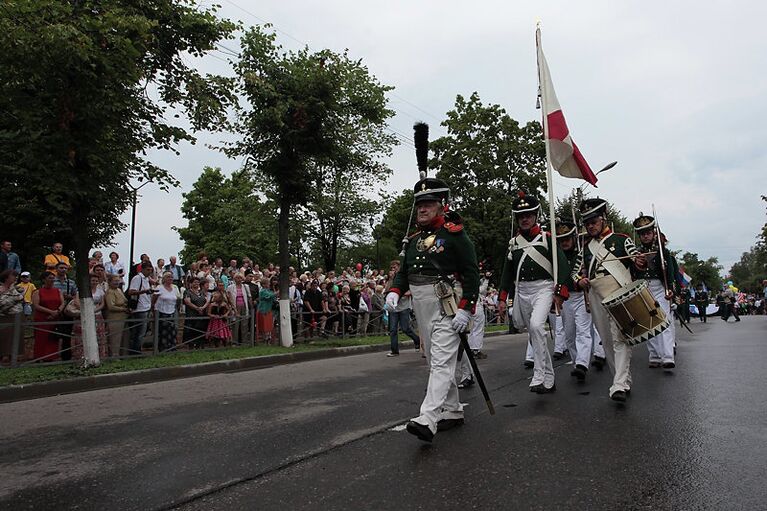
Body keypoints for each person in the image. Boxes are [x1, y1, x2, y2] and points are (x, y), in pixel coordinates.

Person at [387, 176, 479, 443]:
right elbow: (404, 272)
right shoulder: (414, 240)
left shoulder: (455, 235)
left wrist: (466, 308)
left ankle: (427, 418)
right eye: (419, 205)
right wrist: (395, 290)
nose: (422, 209)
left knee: (440, 361)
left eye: (428, 204)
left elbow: (471, 273)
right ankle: (451, 411)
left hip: (446, 303)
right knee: (434, 361)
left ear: (442, 206)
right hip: (420, 303)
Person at [497, 192, 570, 394]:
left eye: (528, 214)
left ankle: (539, 375)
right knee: (534, 333)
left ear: (535, 215)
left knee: (538, 326)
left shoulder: (547, 238)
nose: (525, 219)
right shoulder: (513, 244)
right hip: (522, 290)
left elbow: (562, 266)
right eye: (521, 216)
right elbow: (506, 273)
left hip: (543, 288)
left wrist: (559, 292)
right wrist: (503, 298)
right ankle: (548, 379)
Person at [572, 198, 643, 402]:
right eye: (587, 223)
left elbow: (636, 258)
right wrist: (580, 280)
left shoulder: (621, 240)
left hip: (619, 292)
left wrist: (638, 262)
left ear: (603, 219)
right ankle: (622, 379)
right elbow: (575, 274)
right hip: (596, 296)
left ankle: (619, 384)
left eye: (593, 221)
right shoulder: (585, 249)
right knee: (607, 340)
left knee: (620, 337)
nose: (590, 226)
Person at [632, 213, 679, 369]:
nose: (645, 236)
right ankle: (654, 355)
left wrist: (670, 288)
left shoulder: (662, 251)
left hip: (659, 287)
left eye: (648, 233)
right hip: (644, 288)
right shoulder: (636, 253)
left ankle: (667, 356)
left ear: (653, 233)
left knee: (664, 320)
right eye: (642, 234)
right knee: (649, 323)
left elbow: (670, 271)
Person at [554, 219, 594, 381]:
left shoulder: (583, 255)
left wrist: (585, 279)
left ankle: (582, 364)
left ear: (573, 238)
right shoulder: (557, 258)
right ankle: (577, 361)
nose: (564, 243)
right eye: (561, 240)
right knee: (569, 335)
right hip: (565, 299)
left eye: (567, 239)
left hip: (581, 296)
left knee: (583, 332)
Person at [67, 274, 108, 360]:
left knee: (99, 336)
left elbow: (102, 304)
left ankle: (100, 356)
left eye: (96, 280)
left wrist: (94, 311)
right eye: (93, 280)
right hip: (84, 314)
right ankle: (81, 356)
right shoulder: (81, 291)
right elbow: (77, 302)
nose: (94, 282)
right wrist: (88, 311)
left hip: (97, 314)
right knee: (82, 336)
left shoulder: (100, 291)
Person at [384, 260, 420, 357]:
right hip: (393, 307)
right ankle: (394, 350)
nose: (393, 269)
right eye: (392, 268)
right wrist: (391, 280)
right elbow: (386, 290)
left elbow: (411, 291)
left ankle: (418, 340)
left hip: (404, 306)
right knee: (393, 329)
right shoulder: (392, 279)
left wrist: (400, 293)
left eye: (395, 267)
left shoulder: (405, 278)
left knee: (405, 328)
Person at [32, 272, 64, 361]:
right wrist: (50, 312)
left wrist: (57, 312)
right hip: (43, 318)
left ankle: (52, 356)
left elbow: (62, 302)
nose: (52, 280)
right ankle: (39, 356)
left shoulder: (58, 291)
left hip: (55, 318)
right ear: (44, 279)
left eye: (53, 278)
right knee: (41, 338)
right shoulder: (37, 292)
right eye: (50, 278)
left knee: (53, 338)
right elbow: (36, 305)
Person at [52, 262, 78, 361]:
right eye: (61, 268)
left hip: (67, 310)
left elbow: (75, 296)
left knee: (67, 334)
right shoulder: (52, 281)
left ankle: (66, 356)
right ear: (56, 268)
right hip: (54, 309)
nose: (63, 270)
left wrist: (68, 296)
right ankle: (52, 355)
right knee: (53, 332)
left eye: (65, 268)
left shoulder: (70, 282)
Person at [128, 262, 154, 355]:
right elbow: (131, 292)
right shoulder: (137, 278)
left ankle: (137, 349)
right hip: (139, 308)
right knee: (139, 332)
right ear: (142, 269)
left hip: (146, 306)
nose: (149, 272)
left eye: (150, 270)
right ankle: (135, 351)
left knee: (142, 332)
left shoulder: (147, 279)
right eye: (147, 270)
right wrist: (144, 291)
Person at [152, 272, 181, 351]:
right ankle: (163, 349)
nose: (170, 278)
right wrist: (154, 311)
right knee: (163, 332)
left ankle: (172, 348)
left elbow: (177, 300)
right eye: (168, 277)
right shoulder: (159, 287)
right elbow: (153, 300)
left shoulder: (174, 288)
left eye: (171, 277)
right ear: (164, 279)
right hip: (161, 312)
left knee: (173, 330)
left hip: (172, 311)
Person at [0, 269, 24, 363]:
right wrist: (14, 299)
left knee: (17, 335)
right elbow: (2, 304)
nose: (16, 278)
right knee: (5, 336)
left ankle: (16, 355)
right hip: (4, 316)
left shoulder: (18, 288)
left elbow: (20, 298)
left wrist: (12, 296)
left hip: (17, 315)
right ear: (6, 277)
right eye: (14, 276)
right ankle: (4, 355)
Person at [104, 275, 130, 357]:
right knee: (115, 339)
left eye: (118, 281)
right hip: (114, 318)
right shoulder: (110, 292)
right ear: (109, 282)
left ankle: (123, 355)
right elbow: (111, 306)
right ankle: (114, 356)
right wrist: (123, 309)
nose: (117, 282)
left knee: (124, 338)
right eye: (114, 281)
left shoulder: (119, 290)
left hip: (123, 317)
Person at [184, 278, 210, 349]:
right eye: (195, 282)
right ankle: (191, 347)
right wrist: (197, 308)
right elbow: (187, 302)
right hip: (192, 315)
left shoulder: (201, 292)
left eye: (198, 282)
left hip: (201, 315)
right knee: (192, 332)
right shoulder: (187, 292)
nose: (196, 284)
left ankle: (199, 347)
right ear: (191, 283)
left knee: (200, 332)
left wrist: (203, 308)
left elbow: (207, 301)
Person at [226, 273, 252, 345]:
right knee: (235, 324)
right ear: (234, 279)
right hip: (235, 306)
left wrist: (251, 306)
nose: (239, 279)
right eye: (237, 278)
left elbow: (249, 297)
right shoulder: (230, 287)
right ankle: (234, 342)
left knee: (244, 324)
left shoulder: (246, 286)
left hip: (244, 306)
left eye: (240, 278)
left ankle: (244, 341)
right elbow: (228, 297)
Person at [256, 277, 276, 344]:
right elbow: (269, 296)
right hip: (263, 310)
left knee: (268, 325)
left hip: (268, 310)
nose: (269, 284)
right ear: (264, 284)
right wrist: (277, 293)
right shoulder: (262, 291)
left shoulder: (269, 290)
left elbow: (273, 297)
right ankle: (265, 339)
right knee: (264, 326)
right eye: (268, 283)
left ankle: (268, 339)